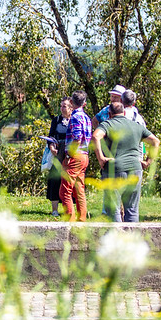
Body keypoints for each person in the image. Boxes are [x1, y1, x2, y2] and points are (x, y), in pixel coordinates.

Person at [92, 101, 160, 222]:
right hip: (135, 169)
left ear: (109, 113)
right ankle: (131, 238)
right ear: (123, 112)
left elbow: (96, 136)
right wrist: (148, 161)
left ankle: (117, 237)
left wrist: (101, 158)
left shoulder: (107, 124)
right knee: (132, 208)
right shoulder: (136, 126)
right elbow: (155, 142)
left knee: (114, 208)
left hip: (115, 169)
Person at [60, 90, 91, 222]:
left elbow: (77, 138)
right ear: (84, 103)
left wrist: (70, 155)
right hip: (84, 155)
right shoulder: (87, 118)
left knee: (65, 190)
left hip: (75, 155)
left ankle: (69, 220)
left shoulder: (75, 117)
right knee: (79, 189)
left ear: (71, 103)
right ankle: (82, 219)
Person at [46, 97, 72, 217]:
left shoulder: (74, 120)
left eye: (64, 106)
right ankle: (54, 209)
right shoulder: (56, 120)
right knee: (55, 179)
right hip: (57, 152)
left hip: (70, 152)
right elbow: (51, 136)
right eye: (61, 106)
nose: (62, 109)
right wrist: (51, 147)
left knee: (69, 180)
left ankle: (69, 210)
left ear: (71, 108)